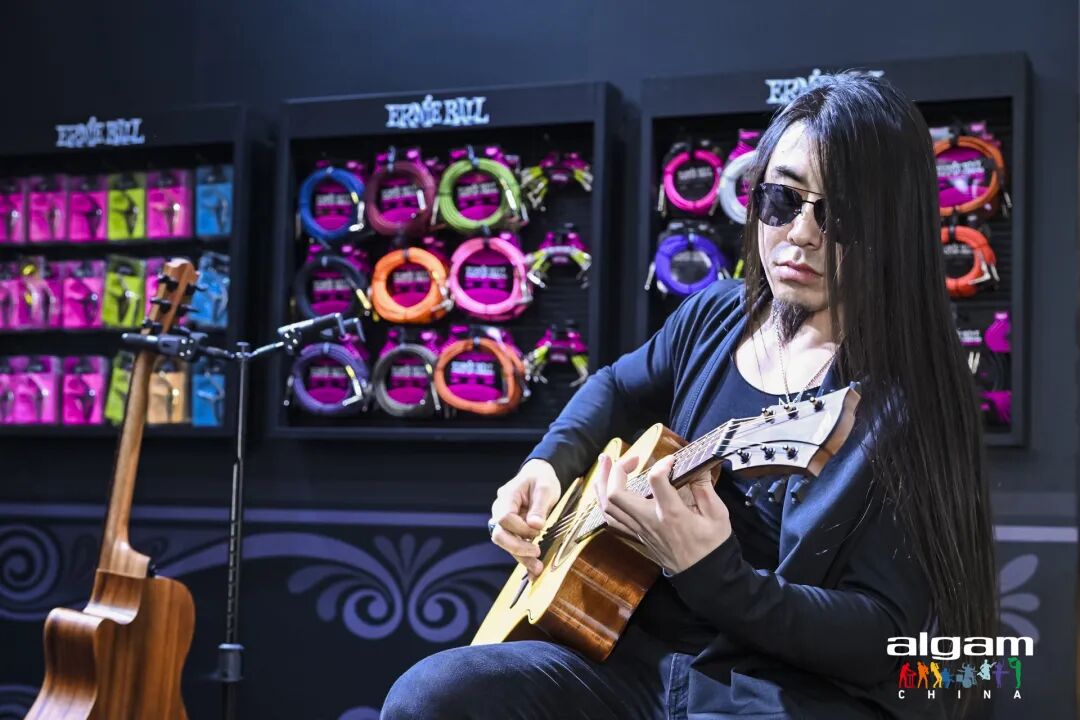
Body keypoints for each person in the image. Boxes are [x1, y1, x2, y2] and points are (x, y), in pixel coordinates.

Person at [381, 72, 996, 719]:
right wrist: (549, 463)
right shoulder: (715, 314)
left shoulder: (908, 405)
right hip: (628, 656)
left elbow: (884, 642)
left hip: (775, 688)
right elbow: (616, 386)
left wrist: (713, 575)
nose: (801, 233)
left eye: (839, 213)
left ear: (893, 226)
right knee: (433, 696)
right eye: (782, 200)